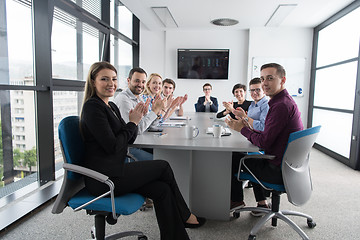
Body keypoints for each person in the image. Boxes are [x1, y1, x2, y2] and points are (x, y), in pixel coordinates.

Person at [80, 62, 206, 240]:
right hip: (103, 178)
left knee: (162, 189)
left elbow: (129, 139)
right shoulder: (93, 107)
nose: (111, 83)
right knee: (163, 167)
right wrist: (133, 122)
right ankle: (185, 215)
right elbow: (115, 146)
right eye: (104, 79)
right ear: (93, 82)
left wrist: (135, 121)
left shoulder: (111, 106)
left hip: (115, 169)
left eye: (114, 79)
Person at [226, 63, 303, 216]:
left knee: (232, 159)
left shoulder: (280, 106)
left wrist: (241, 129)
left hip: (278, 169)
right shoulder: (281, 102)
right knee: (248, 157)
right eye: (262, 79)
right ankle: (261, 203)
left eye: (270, 78)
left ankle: (236, 200)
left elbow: (264, 142)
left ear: (282, 80)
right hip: (287, 164)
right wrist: (246, 126)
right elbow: (267, 133)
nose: (264, 83)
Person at [114, 68, 165, 161]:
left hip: (140, 143)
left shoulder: (139, 98)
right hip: (130, 148)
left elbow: (149, 126)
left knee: (166, 154)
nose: (140, 85)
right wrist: (154, 112)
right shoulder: (124, 100)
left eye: (143, 82)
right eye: (137, 81)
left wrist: (156, 112)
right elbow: (136, 131)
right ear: (128, 81)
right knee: (164, 160)